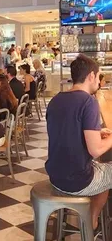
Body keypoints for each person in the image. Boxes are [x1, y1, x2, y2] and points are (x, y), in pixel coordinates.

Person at [45, 54, 112, 231]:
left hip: (55, 175)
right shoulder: (88, 102)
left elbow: (68, 131)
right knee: (107, 170)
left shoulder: (55, 100)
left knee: (103, 172)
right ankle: (92, 222)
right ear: (91, 75)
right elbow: (96, 150)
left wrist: (97, 131)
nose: (99, 81)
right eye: (98, 77)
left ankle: (91, 216)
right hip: (76, 180)